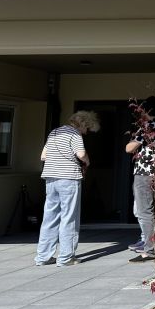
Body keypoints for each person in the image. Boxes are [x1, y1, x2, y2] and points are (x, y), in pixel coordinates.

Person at [35, 110, 100, 267]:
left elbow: (43, 156)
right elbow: (81, 153)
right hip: (69, 178)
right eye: (87, 128)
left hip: (50, 178)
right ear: (83, 123)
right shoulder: (75, 134)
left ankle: (43, 256)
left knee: (49, 217)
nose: (86, 132)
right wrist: (87, 161)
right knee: (69, 217)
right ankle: (66, 257)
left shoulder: (54, 132)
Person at [126, 96, 155, 263]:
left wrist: (133, 139)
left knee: (144, 212)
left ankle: (149, 250)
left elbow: (129, 148)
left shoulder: (148, 126)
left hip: (144, 172)